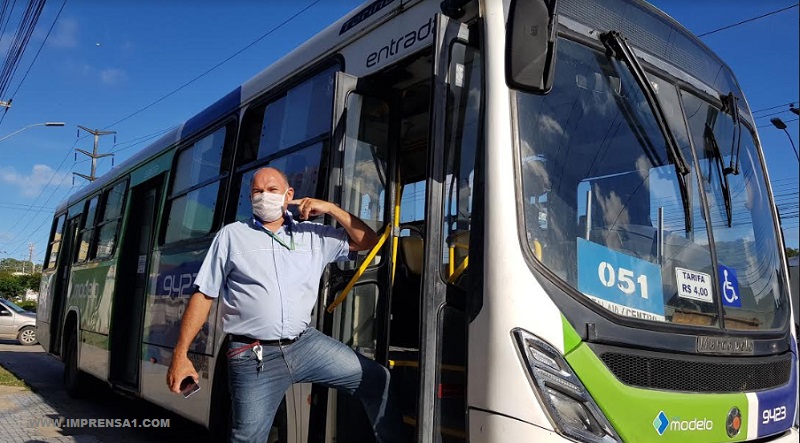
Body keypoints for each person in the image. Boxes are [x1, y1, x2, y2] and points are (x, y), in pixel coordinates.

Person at [166, 167, 404, 442]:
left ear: (289, 195)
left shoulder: (313, 234)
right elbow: (204, 294)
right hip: (252, 355)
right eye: (257, 191)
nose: (264, 196)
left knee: (376, 380)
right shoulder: (231, 236)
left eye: (272, 190)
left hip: (305, 345)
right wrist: (181, 353)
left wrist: (330, 208)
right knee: (248, 438)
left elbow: (368, 241)